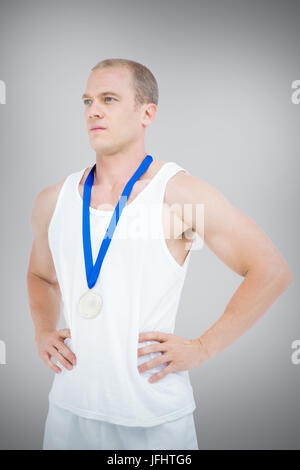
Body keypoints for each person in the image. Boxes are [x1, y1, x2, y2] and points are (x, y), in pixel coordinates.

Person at [26, 58, 293, 450]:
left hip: (151, 421)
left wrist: (204, 347)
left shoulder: (179, 195)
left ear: (147, 113)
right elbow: (41, 276)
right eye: (87, 101)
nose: (93, 110)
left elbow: (271, 271)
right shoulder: (54, 199)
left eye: (109, 99)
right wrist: (43, 331)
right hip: (69, 414)